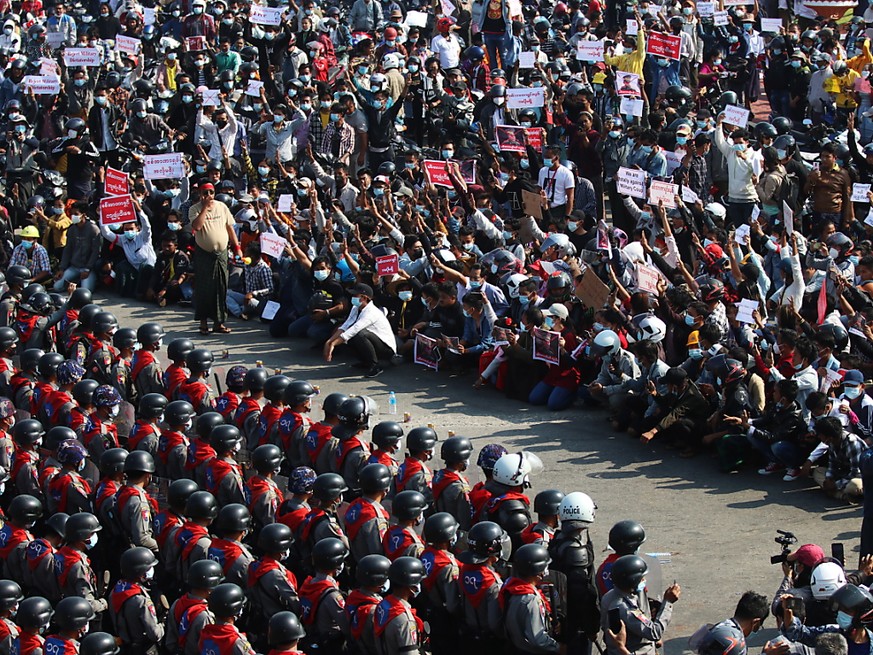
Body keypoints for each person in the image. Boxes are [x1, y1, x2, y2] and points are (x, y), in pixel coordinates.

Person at [188, 182, 241, 335]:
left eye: (211, 192)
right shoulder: (194, 209)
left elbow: (230, 228)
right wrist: (204, 207)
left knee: (221, 287)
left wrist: (237, 248)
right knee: (204, 289)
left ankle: (219, 323)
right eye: (205, 193)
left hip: (222, 253)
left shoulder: (222, 207)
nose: (209, 196)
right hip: (204, 254)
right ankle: (203, 323)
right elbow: (197, 227)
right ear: (200, 193)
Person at [601, 555, 681, 655]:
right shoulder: (625, 609)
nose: (644, 580)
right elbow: (654, 632)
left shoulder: (609, 596)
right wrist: (668, 602)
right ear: (632, 581)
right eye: (641, 578)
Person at [323, 283, 397, 378]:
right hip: (372, 343)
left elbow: (355, 329)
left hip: (385, 349)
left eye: (355, 295)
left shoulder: (372, 312)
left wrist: (333, 344)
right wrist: (329, 341)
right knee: (350, 337)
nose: (352, 297)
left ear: (364, 297)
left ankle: (375, 366)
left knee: (360, 334)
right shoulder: (356, 308)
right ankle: (365, 361)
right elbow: (346, 325)